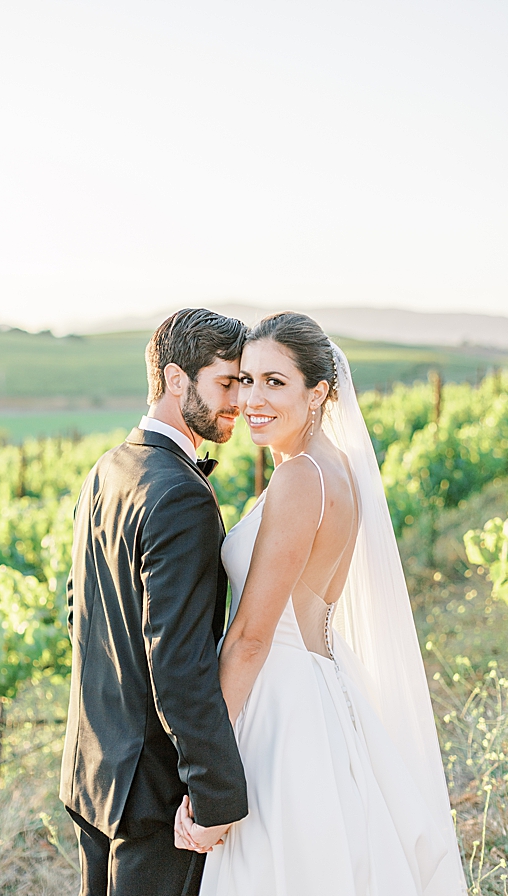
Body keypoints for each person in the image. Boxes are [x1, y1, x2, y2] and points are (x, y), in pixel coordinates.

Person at [176, 312, 465, 895]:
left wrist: (209, 777)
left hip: (281, 706)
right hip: (319, 687)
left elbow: (252, 635)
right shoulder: (335, 469)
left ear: (320, 393)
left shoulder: (301, 478)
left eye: (275, 382)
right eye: (247, 380)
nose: (253, 398)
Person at [60, 309, 251, 896]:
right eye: (226, 382)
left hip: (89, 766)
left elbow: (78, 611)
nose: (238, 402)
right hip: (150, 796)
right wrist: (215, 793)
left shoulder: (107, 468)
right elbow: (179, 662)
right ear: (175, 379)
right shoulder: (181, 497)